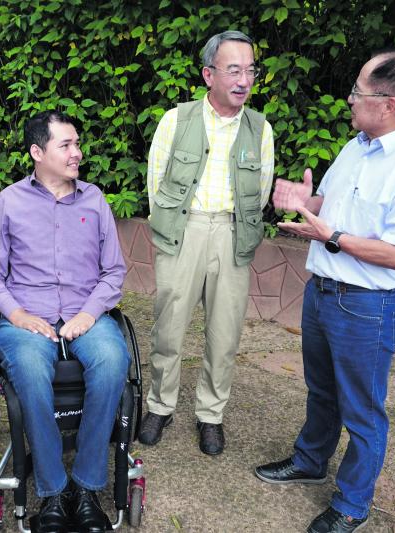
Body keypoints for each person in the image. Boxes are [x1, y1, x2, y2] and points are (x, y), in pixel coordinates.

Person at [254, 49, 395, 533]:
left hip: (367, 305)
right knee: (321, 391)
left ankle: (351, 504)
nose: (349, 99)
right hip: (322, 292)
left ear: (387, 103)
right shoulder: (358, 146)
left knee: (363, 408)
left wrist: (332, 238)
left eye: (358, 92)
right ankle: (310, 460)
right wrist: (307, 202)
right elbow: (332, 206)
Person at [0, 111, 129, 533]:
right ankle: (52, 490)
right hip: (28, 312)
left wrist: (87, 314)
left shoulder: (94, 199)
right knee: (26, 368)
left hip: (85, 310)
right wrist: (18, 314)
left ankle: (86, 485)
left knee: (114, 362)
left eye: (77, 143)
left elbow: (113, 271)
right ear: (37, 152)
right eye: (66, 145)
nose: (77, 152)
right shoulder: (11, 201)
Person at [141, 30, 274, 455]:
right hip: (185, 230)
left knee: (225, 332)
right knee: (169, 326)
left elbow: (263, 189)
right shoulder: (175, 120)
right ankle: (160, 406)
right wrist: (174, 228)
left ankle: (210, 415)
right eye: (233, 69)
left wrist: (237, 226)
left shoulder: (260, 128)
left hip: (233, 233)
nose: (244, 79)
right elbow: (155, 183)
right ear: (208, 74)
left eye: (250, 69)